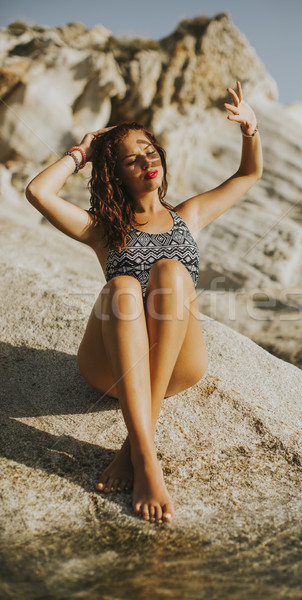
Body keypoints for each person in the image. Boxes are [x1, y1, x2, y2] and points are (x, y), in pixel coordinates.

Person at [25, 81, 263, 525]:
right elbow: (39, 193)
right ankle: (149, 461)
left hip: (178, 365)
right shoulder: (102, 229)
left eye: (150, 150)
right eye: (131, 158)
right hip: (112, 369)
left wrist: (251, 131)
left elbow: (248, 175)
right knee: (122, 288)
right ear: (115, 173)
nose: (146, 160)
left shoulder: (187, 216)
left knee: (171, 272)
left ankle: (134, 448)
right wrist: (85, 150)